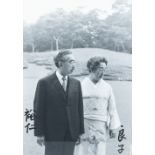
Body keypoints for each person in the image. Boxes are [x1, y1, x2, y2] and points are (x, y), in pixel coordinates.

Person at [33, 50, 84, 155]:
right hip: (52, 133)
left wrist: (79, 132)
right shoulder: (44, 83)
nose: (74, 65)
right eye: (71, 62)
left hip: (71, 132)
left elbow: (79, 109)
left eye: (74, 62)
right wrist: (39, 133)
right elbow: (39, 109)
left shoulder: (76, 83)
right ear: (60, 63)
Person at [74, 56, 121, 155]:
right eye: (100, 69)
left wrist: (113, 127)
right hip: (84, 124)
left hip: (101, 125)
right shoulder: (80, 86)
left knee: (99, 150)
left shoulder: (107, 87)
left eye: (104, 69)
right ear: (92, 68)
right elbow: (74, 110)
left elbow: (112, 108)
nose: (103, 72)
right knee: (84, 150)